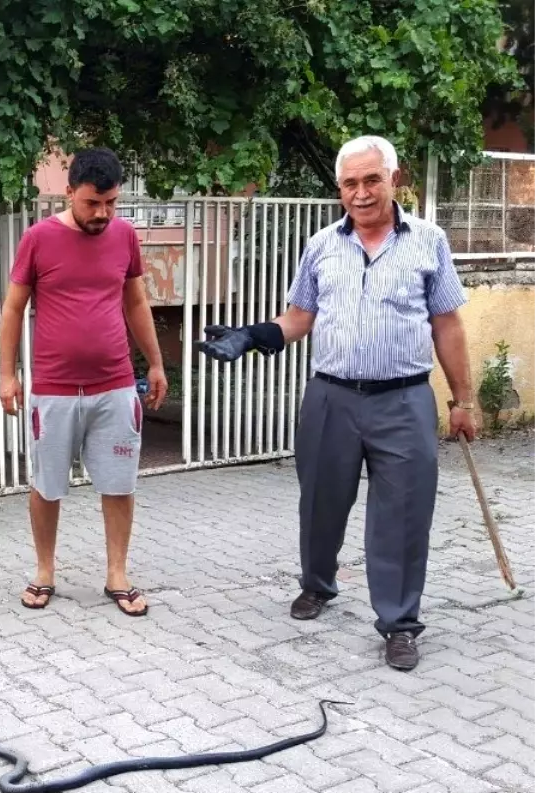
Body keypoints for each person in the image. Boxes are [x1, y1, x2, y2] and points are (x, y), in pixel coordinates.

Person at [198, 135, 477, 671]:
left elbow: (447, 323)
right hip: (331, 397)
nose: (362, 192)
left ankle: (398, 623)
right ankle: (318, 585)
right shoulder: (322, 244)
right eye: (350, 183)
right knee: (321, 501)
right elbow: (299, 317)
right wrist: (251, 336)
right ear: (339, 188)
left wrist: (463, 400)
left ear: (394, 179)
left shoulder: (429, 241)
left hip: (404, 399)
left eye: (372, 179)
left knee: (402, 516)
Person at [0, 147, 168, 617]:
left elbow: (135, 302)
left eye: (111, 203)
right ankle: (44, 570)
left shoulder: (125, 237)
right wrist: (6, 374)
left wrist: (154, 364)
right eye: (93, 202)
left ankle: (117, 573)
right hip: (53, 388)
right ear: (69, 192)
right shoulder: (38, 239)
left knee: (118, 482)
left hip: (114, 385)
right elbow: (13, 308)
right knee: (47, 484)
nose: (103, 213)